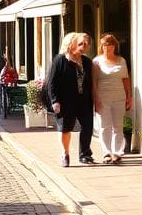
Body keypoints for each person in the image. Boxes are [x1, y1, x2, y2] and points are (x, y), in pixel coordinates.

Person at [47, 32, 95, 167]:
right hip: (65, 102)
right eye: (81, 44)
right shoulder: (60, 60)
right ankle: (65, 153)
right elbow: (52, 83)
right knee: (65, 129)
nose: (84, 47)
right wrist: (55, 100)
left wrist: (94, 99)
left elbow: (90, 82)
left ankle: (85, 154)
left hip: (84, 101)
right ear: (71, 44)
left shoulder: (86, 61)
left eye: (85, 44)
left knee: (87, 127)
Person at [92, 33, 132, 164]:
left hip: (119, 98)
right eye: (104, 45)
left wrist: (129, 96)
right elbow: (94, 82)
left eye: (109, 44)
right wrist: (96, 99)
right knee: (104, 127)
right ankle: (106, 153)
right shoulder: (97, 61)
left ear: (114, 46)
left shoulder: (122, 61)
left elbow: (126, 79)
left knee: (118, 126)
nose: (106, 47)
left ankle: (117, 152)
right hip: (103, 98)